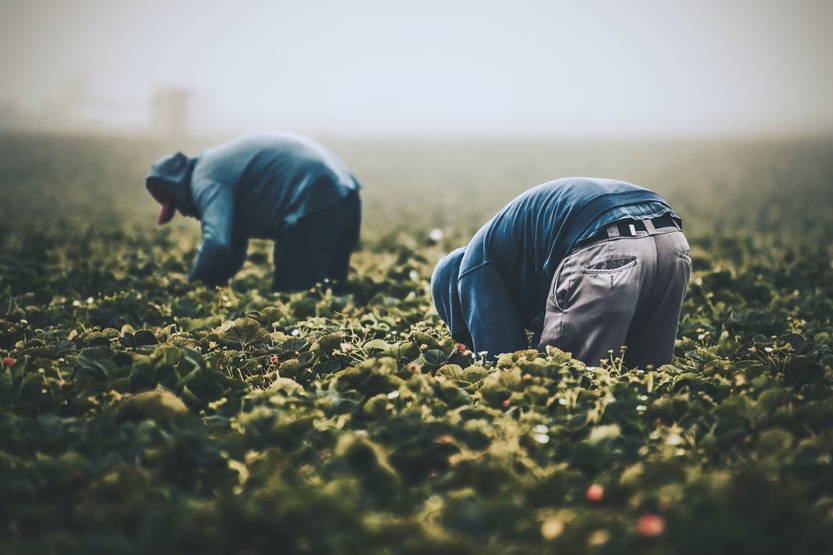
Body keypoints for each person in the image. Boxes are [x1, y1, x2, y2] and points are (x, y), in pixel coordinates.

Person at [431, 177, 691, 368]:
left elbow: (506, 359)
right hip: (670, 239)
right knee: (648, 375)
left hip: (603, 246)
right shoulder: (505, 248)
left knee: (563, 379)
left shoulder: (473, 267)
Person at [145, 131, 361, 293]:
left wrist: (191, 288)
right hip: (346, 194)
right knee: (331, 293)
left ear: (177, 188)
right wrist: (214, 284)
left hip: (314, 204)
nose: (183, 213)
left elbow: (216, 243)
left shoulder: (204, 178)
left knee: (294, 295)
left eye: (177, 206)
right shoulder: (215, 164)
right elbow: (232, 246)